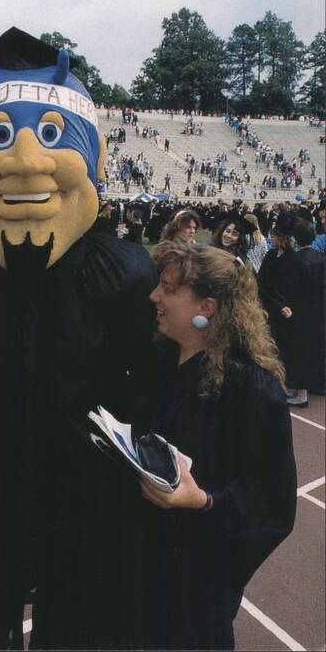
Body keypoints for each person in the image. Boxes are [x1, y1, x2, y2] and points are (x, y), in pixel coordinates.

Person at [0, 27, 159, 648]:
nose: (27, 161)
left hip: (86, 490)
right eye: (0, 137)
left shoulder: (122, 272)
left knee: (83, 615)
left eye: (51, 137)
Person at [144, 240, 296, 650]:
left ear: (206, 308)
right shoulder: (158, 361)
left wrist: (204, 501)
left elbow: (273, 503)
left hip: (199, 573)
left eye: (169, 288)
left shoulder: (252, 389)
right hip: (145, 557)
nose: (155, 295)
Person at [257, 211, 302, 397]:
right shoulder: (270, 254)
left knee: (281, 347)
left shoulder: (293, 259)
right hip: (267, 304)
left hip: (284, 309)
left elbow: (290, 287)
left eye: (273, 235)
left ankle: (281, 383)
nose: (270, 238)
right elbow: (262, 281)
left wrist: (280, 304)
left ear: (281, 237)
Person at [291, 220, 325, 401]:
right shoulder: (321, 257)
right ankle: (318, 384)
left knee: (301, 349)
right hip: (320, 308)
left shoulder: (296, 260)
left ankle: (301, 391)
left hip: (303, 310)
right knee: (319, 347)